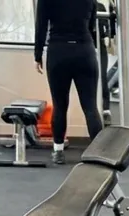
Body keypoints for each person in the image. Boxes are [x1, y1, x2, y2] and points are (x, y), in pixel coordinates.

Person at [34, 0, 104, 165]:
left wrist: (37, 55)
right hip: (84, 51)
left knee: (60, 106)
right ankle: (99, 153)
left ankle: (58, 151)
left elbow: (41, 27)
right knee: (90, 107)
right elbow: (92, 25)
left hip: (59, 52)